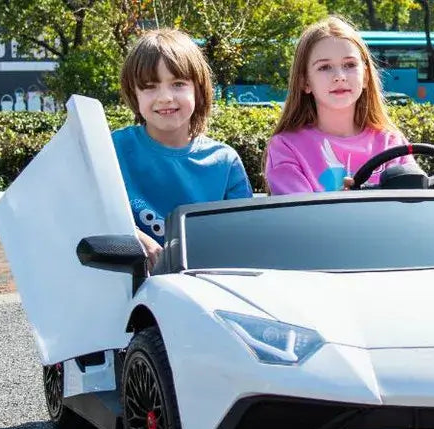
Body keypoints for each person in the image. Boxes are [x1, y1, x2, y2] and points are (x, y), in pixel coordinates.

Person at [114, 28, 252, 266]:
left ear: (198, 90)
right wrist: (134, 237)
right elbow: (83, 211)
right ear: (133, 93)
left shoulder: (225, 162)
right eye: (149, 86)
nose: (165, 97)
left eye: (178, 84)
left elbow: (244, 239)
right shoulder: (111, 149)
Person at [264, 16, 413, 195]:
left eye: (349, 64)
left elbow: (411, 206)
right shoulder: (286, 146)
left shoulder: (391, 142)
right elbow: (302, 218)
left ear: (365, 77)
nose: (340, 76)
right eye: (325, 67)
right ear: (305, 82)